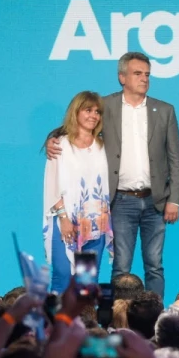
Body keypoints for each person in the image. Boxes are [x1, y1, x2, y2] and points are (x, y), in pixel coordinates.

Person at [45, 51, 179, 299]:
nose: (144, 79)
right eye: (137, 73)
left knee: (154, 265)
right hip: (119, 202)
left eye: (147, 74)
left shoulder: (164, 110)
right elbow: (75, 126)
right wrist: (50, 140)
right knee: (119, 267)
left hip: (156, 202)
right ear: (122, 77)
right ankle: (118, 321)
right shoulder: (104, 106)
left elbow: (175, 157)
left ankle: (153, 320)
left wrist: (174, 199)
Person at [42, 91, 113, 295]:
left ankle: (84, 326)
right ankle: (55, 326)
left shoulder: (104, 145)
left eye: (97, 112)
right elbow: (52, 185)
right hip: (67, 223)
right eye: (88, 110)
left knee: (86, 284)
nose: (94, 115)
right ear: (76, 112)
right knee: (62, 277)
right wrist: (64, 218)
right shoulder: (59, 145)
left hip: (96, 226)